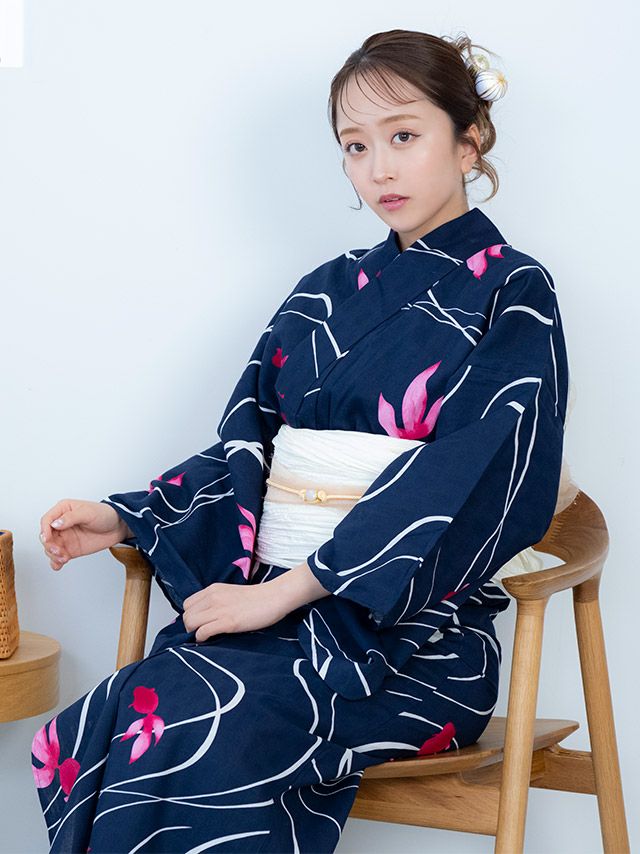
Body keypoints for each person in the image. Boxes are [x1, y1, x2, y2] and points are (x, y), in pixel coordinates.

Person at [31, 28, 570, 853]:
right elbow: (250, 445)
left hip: (414, 640)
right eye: (355, 146)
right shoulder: (323, 293)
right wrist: (128, 515)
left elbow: (474, 473)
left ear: (469, 142)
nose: (379, 169)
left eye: (403, 136)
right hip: (273, 618)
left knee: (209, 720)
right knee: (113, 716)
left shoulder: (514, 290)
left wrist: (287, 592)